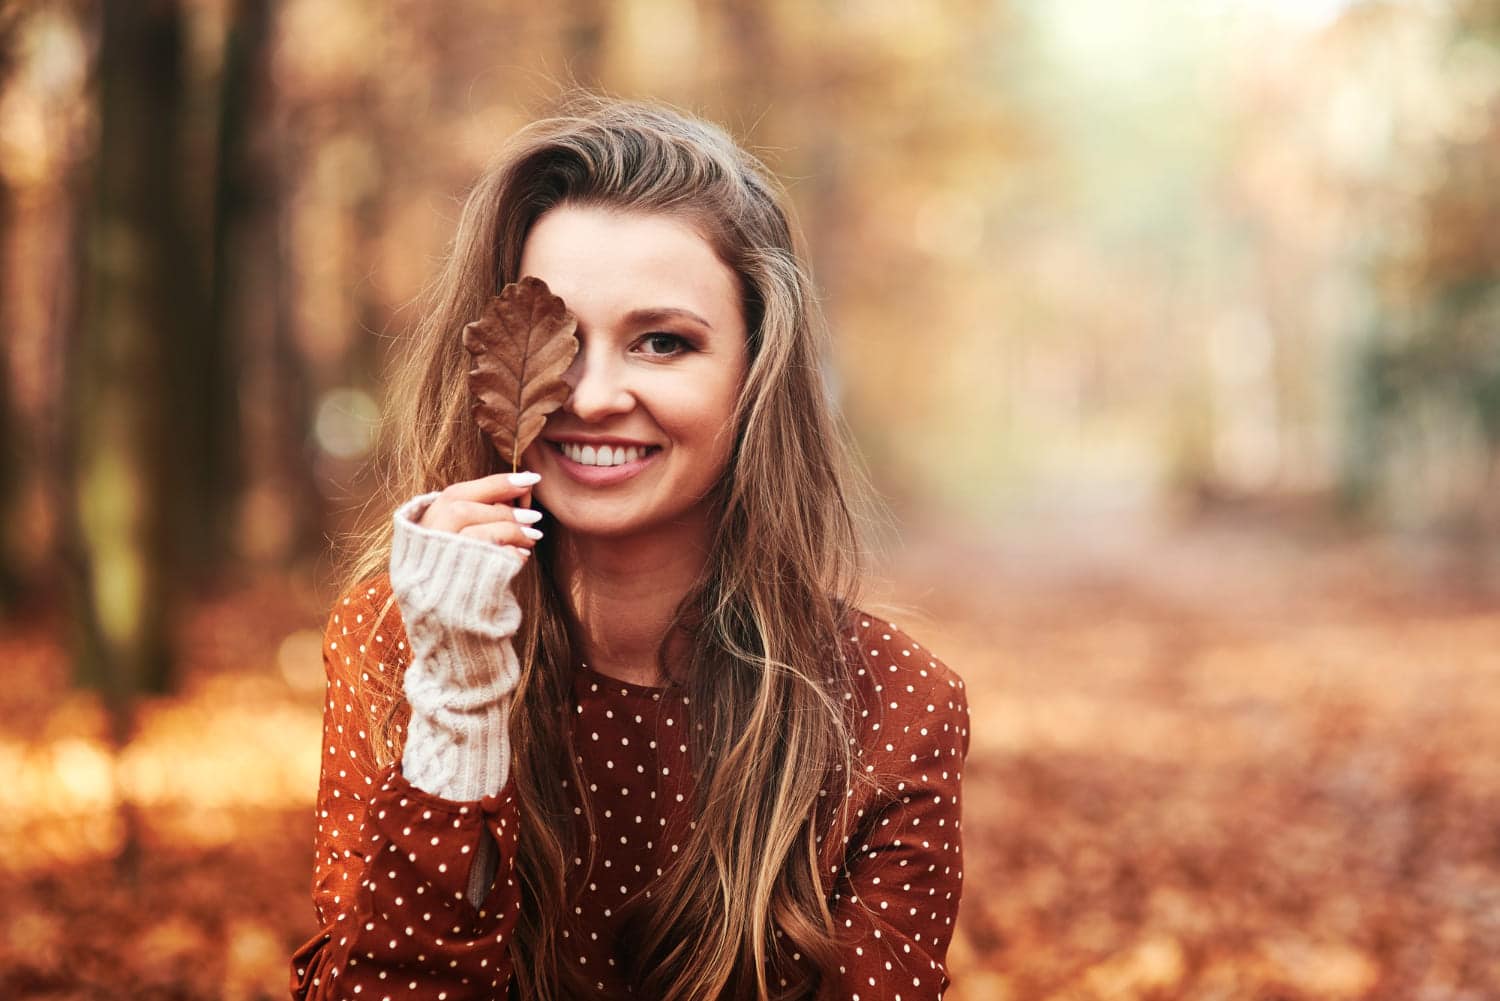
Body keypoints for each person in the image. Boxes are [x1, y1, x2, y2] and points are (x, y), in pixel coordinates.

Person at [289, 94, 971, 1001]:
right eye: (556, 337)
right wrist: (458, 708)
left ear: (755, 372)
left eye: (661, 342)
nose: (595, 394)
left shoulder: (895, 707)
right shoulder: (398, 640)